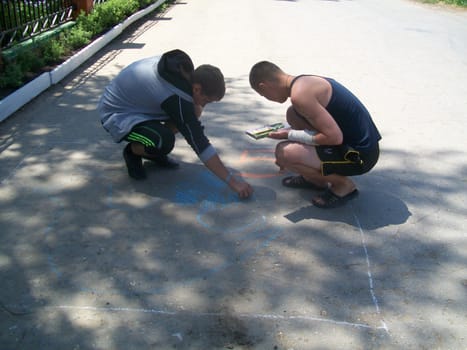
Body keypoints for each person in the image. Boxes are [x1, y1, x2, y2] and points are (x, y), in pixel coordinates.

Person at [98, 49, 253, 199]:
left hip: (138, 105)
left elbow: (190, 114)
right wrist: (232, 182)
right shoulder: (175, 96)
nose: (205, 105)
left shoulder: (183, 72)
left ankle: (153, 149)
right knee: (163, 141)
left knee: (194, 111)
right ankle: (133, 151)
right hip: (117, 114)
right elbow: (199, 143)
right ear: (197, 88)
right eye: (206, 100)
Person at [249, 61, 381, 208]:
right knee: (293, 113)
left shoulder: (299, 96)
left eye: (263, 95)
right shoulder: (303, 82)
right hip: (361, 145)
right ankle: (315, 180)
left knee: (284, 153)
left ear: (264, 86)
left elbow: (334, 138)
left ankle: (344, 186)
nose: (267, 98)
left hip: (359, 156)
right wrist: (290, 132)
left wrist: (289, 135)